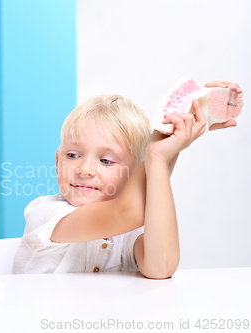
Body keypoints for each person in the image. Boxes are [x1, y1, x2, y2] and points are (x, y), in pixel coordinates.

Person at [13, 87, 241, 278]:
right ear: (57, 160)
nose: (84, 169)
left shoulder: (125, 236)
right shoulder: (45, 215)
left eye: (106, 160)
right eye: (72, 155)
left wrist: (170, 145)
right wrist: (159, 155)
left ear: (133, 174)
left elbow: (161, 267)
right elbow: (129, 210)